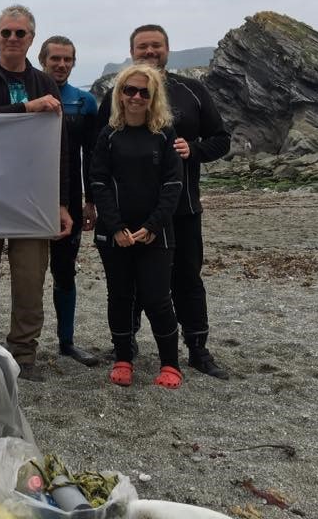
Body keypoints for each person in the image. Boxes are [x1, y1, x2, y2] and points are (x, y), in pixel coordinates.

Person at [97, 24, 231, 379]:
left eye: (156, 46)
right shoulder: (116, 95)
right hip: (129, 212)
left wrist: (195, 150)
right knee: (132, 283)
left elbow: (221, 139)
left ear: (167, 49)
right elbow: (97, 155)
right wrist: (92, 203)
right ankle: (127, 346)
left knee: (186, 279)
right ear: (132, 51)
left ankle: (198, 348)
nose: (150, 52)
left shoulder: (193, 90)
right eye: (143, 47)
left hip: (182, 206)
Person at [0, 5, 72, 383]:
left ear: (31, 39)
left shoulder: (45, 81)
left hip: (32, 195)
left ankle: (24, 353)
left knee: (29, 281)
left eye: (19, 34)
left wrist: (62, 202)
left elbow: (60, 145)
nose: (12, 39)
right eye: (6, 32)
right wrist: (26, 108)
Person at [90, 65, 184, 389]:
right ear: (120, 93)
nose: (136, 97)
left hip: (156, 233)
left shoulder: (164, 134)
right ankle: (123, 357)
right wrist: (115, 227)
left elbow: (173, 184)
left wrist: (153, 225)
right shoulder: (109, 134)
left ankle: (170, 363)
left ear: (154, 96)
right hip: (116, 235)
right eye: (130, 90)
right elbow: (99, 182)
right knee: (120, 296)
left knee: (157, 298)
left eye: (144, 92)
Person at [38, 36, 99, 367]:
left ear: (74, 63)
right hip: (31, 197)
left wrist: (91, 201)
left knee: (64, 272)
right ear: (42, 60)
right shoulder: (29, 96)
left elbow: (92, 155)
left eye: (67, 59)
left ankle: (67, 342)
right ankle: (25, 340)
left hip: (71, 199)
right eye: (55, 59)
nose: (61, 65)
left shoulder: (84, 102)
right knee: (29, 275)